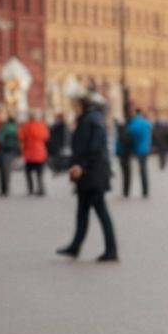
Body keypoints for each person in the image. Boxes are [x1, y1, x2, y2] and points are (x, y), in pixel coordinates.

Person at [57, 92, 119, 262]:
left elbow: (90, 147)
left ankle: (111, 250)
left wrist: (80, 166)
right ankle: (75, 246)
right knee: (82, 211)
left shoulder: (89, 120)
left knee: (100, 212)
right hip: (92, 171)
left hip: (92, 173)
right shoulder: (93, 118)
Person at [18, 109, 50, 196]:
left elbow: (21, 138)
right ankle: (41, 188)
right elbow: (46, 137)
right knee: (39, 173)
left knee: (28, 172)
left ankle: (30, 188)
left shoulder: (26, 126)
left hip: (29, 152)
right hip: (40, 152)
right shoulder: (42, 126)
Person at [124, 107, 153, 197]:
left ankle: (140, 190)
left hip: (138, 148)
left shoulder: (135, 122)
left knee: (141, 169)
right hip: (146, 147)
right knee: (144, 169)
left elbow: (130, 133)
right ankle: (145, 190)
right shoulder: (146, 122)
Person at [0, 109, 20, 196]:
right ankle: (5, 188)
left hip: (5, 150)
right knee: (6, 170)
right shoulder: (15, 126)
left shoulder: (5, 126)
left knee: (4, 170)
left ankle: (4, 189)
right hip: (10, 150)